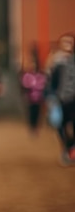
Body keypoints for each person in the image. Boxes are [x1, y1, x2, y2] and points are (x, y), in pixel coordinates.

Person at [46, 32, 75, 166]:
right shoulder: (56, 62)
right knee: (61, 126)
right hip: (61, 99)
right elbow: (51, 82)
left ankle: (71, 150)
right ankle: (66, 148)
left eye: (70, 41)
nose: (68, 44)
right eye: (65, 42)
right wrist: (51, 98)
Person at [19, 56, 47, 137]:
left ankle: (36, 128)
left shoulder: (40, 75)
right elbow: (24, 85)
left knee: (38, 113)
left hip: (39, 98)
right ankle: (32, 127)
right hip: (30, 98)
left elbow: (43, 84)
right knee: (31, 113)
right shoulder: (26, 75)